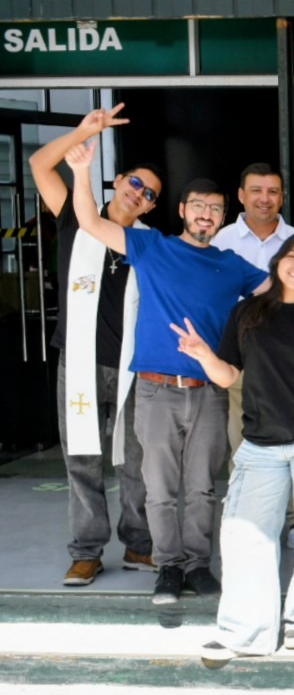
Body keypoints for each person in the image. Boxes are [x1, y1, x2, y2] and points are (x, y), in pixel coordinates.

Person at [67, 144, 269, 605]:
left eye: (215, 209)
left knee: (201, 488)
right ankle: (169, 568)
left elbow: (281, 293)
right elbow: (91, 222)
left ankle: (197, 564)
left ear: (223, 219)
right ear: (181, 210)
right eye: (198, 206)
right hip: (156, 391)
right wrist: (81, 173)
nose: (206, 215)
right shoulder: (151, 246)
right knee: (158, 490)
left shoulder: (231, 265)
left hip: (208, 393)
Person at [170, 232, 294, 660]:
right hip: (259, 443)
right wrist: (203, 355)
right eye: (293, 256)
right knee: (245, 535)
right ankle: (246, 632)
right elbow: (228, 375)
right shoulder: (248, 312)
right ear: (278, 261)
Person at [31, 106, 159, 587]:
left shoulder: (150, 243)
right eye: (135, 182)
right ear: (118, 181)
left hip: (131, 367)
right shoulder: (73, 215)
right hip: (80, 362)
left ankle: (139, 543)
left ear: (149, 207)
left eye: (149, 193)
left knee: (135, 460)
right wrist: (84, 133)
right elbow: (40, 164)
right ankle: (86, 551)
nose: (139, 193)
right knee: (82, 459)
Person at [211, 163, 294, 457]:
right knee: (243, 446)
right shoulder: (220, 240)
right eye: (256, 190)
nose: (265, 198)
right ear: (241, 195)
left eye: (273, 191)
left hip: (293, 360)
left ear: (282, 197)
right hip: (239, 357)